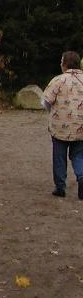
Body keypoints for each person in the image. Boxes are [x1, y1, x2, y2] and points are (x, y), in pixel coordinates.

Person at [42, 50, 83, 199]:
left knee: (59, 156)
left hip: (60, 126)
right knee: (78, 155)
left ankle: (60, 187)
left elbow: (46, 101)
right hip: (81, 127)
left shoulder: (58, 80)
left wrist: (52, 111)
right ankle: (81, 176)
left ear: (65, 64)